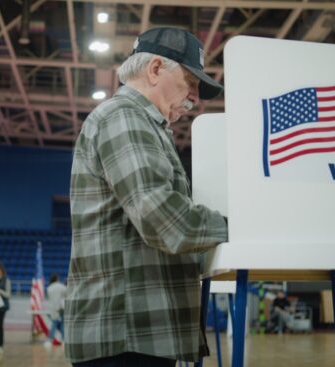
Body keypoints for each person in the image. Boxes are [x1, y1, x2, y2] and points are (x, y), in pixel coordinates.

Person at [66, 27, 228, 366]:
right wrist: (234, 226)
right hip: (126, 339)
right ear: (155, 70)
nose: (193, 97)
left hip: (134, 336)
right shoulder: (125, 116)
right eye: (189, 82)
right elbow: (164, 220)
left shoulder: (140, 123)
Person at [43, 273, 67, 348]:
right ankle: (63, 340)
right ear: (56, 278)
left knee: (54, 324)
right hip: (61, 307)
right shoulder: (61, 286)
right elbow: (66, 293)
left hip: (53, 308)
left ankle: (49, 340)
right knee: (62, 324)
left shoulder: (49, 288)